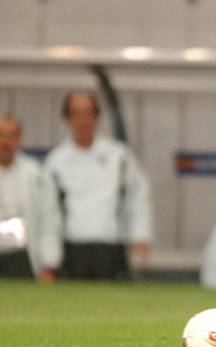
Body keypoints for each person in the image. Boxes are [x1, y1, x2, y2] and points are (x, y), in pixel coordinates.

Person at [45, 91, 152, 280]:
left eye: (88, 113)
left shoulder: (119, 156)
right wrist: (48, 258)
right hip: (72, 248)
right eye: (76, 114)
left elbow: (138, 197)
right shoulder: (56, 161)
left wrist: (140, 235)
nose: (82, 120)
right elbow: (48, 213)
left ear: (97, 117)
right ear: (67, 119)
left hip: (111, 247)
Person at [0, 115, 61, 281]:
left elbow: (49, 219)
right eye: (1, 135)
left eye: (11, 136)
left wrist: (49, 263)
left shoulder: (35, 173)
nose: (6, 142)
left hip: (22, 256)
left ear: (19, 140)